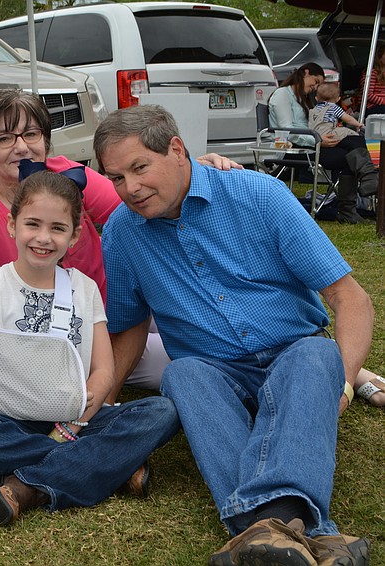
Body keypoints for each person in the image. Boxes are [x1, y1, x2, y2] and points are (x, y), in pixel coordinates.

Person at [96, 104, 373, 565]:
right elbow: (129, 328)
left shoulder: (260, 196)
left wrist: (342, 384)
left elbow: (351, 299)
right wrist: (100, 401)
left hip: (294, 354)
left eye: (139, 168)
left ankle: (258, 533)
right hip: (216, 372)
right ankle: (306, 532)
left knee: (315, 356)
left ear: (178, 150)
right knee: (182, 374)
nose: (130, 189)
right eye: (116, 178)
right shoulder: (123, 232)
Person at [0, 89, 241, 396]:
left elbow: (140, 201)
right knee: (186, 359)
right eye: (4, 138)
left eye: (31, 133)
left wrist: (187, 169)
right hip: (63, 334)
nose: (21, 147)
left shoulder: (67, 175)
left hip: (120, 302)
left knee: (203, 328)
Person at [0, 170, 180, 527]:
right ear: (12, 225)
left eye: (57, 228)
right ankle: (109, 466)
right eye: (32, 224)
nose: (43, 238)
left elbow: (103, 370)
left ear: (74, 236)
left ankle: (29, 484)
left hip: (78, 415)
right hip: (14, 420)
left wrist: (77, 421)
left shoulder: (84, 290)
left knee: (161, 411)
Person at [268, 62, 374, 223]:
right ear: (306, 72)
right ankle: (360, 192)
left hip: (311, 143)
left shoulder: (302, 98)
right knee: (348, 155)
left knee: (353, 141)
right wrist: (318, 139)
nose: (315, 87)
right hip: (292, 148)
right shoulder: (282, 95)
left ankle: (365, 184)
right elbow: (287, 130)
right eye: (315, 82)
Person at [360, 43, 385, 116]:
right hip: (372, 106)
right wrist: (383, 101)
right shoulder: (371, 72)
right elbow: (367, 94)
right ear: (379, 57)